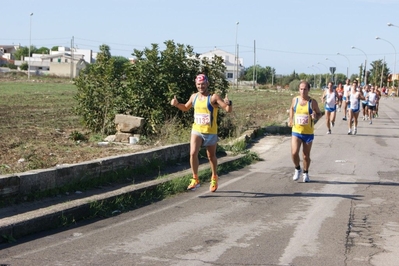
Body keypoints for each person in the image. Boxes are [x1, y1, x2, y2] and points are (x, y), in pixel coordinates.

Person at [170, 74, 232, 192]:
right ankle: (195, 178)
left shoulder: (213, 97)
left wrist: (229, 103)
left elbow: (228, 110)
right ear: (196, 84)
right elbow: (185, 108)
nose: (201, 86)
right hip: (197, 130)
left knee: (211, 156)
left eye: (203, 84)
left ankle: (214, 177)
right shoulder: (194, 97)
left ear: (207, 84)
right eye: (198, 84)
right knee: (193, 153)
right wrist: (177, 104)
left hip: (210, 132)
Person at [288, 81, 322, 182]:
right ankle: (297, 168)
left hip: (308, 133)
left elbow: (319, 113)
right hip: (296, 131)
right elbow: (291, 108)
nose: (303, 91)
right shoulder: (295, 100)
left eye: (305, 89)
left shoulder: (312, 102)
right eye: (301, 89)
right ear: (299, 90)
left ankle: (306, 172)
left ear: (308, 90)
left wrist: (315, 116)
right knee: (294, 153)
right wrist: (290, 118)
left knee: (306, 155)